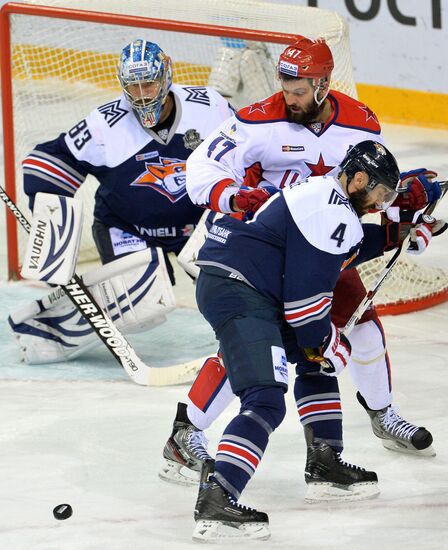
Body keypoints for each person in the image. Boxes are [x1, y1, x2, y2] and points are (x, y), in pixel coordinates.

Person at [159, 37, 443, 495]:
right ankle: (186, 431)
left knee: (352, 333)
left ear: (323, 85)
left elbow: (377, 186)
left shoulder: (360, 124)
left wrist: (405, 221)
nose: (286, 98)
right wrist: (232, 195)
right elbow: (201, 167)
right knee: (257, 350)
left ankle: (360, 429)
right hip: (264, 252)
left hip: (323, 250)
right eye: (283, 87)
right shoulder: (257, 120)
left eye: (297, 90)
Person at [190, 141, 413, 542]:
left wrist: (402, 231)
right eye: (379, 194)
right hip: (241, 289)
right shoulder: (331, 208)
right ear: (359, 179)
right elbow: (305, 311)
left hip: (246, 283)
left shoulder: (326, 196)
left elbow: (345, 247)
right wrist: (333, 345)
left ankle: (325, 461)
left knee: (315, 361)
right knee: (265, 398)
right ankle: (218, 496)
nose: (380, 204)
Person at [10, 39, 234, 363]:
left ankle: (265, 332)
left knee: (230, 283)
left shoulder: (209, 107)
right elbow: (49, 159)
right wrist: (52, 224)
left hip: (198, 225)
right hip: (128, 229)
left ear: (167, 74)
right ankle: (48, 329)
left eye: (149, 83)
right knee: (142, 308)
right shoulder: (105, 123)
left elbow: (247, 154)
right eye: (133, 86)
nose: (141, 94)